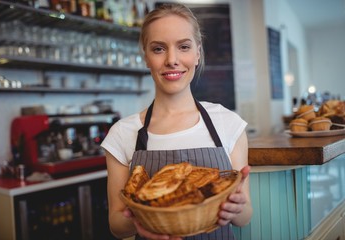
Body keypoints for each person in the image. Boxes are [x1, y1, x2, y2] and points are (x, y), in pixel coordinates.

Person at [101, 3, 252, 240]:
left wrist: (238, 207)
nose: (172, 59)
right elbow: (117, 224)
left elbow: (245, 217)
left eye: (183, 47)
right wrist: (140, 222)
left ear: (197, 53)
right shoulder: (123, 133)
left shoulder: (228, 123)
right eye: (159, 49)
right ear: (146, 57)